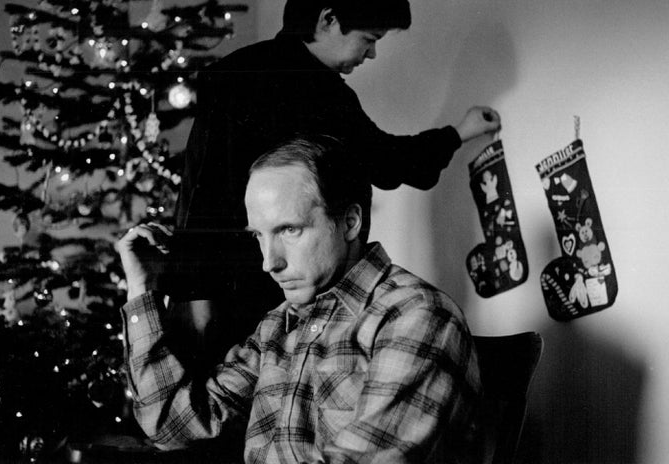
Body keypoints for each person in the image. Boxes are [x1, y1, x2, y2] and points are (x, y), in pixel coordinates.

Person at [169, 0, 501, 364]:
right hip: (256, 303)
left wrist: (459, 132)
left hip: (257, 301)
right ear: (328, 20)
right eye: (369, 39)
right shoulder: (306, 90)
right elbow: (204, 194)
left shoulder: (269, 78)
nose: (372, 54)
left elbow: (385, 162)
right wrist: (196, 295)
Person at [118, 135, 482, 464]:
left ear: (350, 221)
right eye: (259, 235)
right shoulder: (280, 323)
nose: (269, 262)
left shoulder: (414, 315)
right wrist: (142, 289)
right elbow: (173, 426)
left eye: (289, 230)